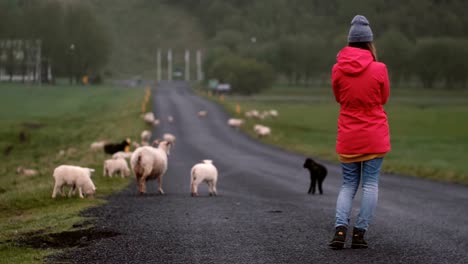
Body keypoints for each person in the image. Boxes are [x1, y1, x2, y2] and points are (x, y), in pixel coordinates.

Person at [328, 15, 390, 250]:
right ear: (369, 43)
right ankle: (359, 234)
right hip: (374, 133)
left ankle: (340, 229)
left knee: (347, 185)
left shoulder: (338, 69)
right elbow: (383, 99)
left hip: (349, 135)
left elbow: (338, 98)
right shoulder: (379, 68)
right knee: (370, 184)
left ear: (350, 42)